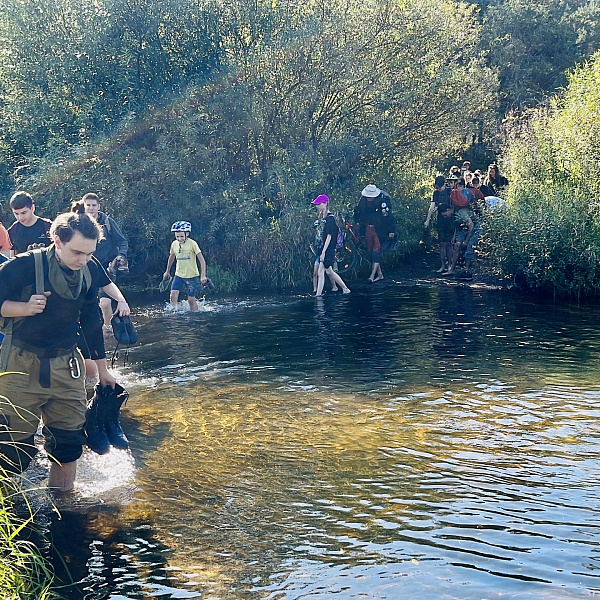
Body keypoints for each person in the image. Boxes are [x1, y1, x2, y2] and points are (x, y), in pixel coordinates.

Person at [0, 209, 117, 492]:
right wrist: (23, 309)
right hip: (19, 365)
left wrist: (103, 371)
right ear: (57, 240)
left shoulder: (88, 270)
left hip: (67, 365)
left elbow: (90, 321)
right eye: (78, 252)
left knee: (68, 443)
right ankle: (9, 513)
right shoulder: (23, 267)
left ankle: (62, 508)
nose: (84, 260)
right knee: (12, 451)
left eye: (90, 253)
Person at [81, 193, 129, 329]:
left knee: (105, 303)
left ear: (98, 206)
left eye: (93, 205)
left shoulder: (107, 222)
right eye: (88, 205)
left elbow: (122, 241)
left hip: (108, 267)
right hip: (86, 267)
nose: (91, 208)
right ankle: (106, 325)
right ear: (84, 207)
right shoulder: (80, 223)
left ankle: (107, 330)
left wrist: (121, 255)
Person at [354, 184, 396, 283]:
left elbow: (388, 217)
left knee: (376, 251)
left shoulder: (382, 201)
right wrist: (357, 221)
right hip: (368, 228)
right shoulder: (363, 201)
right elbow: (358, 211)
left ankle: (372, 276)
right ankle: (380, 274)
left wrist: (391, 230)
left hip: (380, 230)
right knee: (370, 250)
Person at [163, 221, 208, 311]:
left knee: (191, 300)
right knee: (173, 295)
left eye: (181, 236)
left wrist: (203, 275)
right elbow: (171, 258)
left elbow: (202, 261)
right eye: (177, 237)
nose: (179, 239)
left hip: (191, 276)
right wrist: (167, 271)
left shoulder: (192, 244)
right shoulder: (174, 244)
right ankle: (173, 313)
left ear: (187, 234)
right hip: (178, 275)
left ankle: (194, 315)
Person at [312, 195, 350, 297]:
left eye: (319, 204)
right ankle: (345, 289)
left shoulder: (330, 219)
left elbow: (329, 236)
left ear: (325, 203)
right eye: (317, 204)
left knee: (324, 271)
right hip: (324, 248)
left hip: (328, 249)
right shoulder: (323, 218)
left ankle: (319, 295)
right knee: (328, 271)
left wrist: (323, 252)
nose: (318, 206)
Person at [7, 191, 52, 255]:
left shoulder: (47, 226)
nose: (20, 217)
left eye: (24, 213)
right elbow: (12, 258)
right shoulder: (13, 230)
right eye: (16, 214)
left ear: (32, 208)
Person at [312, 215, 339, 293]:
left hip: (326, 251)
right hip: (319, 253)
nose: (317, 230)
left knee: (329, 271)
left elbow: (329, 237)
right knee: (319, 272)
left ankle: (336, 287)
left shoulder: (329, 221)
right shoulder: (317, 236)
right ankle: (316, 290)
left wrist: (324, 252)